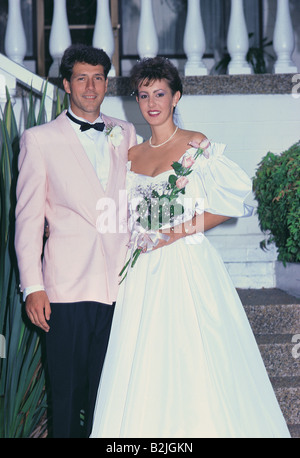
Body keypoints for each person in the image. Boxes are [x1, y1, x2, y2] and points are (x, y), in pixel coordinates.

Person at [90, 57, 291, 438]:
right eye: (144, 94)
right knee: (144, 361)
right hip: (141, 271)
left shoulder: (196, 145)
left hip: (186, 262)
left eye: (160, 94)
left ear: (176, 96)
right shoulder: (130, 154)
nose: (152, 102)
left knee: (193, 355)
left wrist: (176, 232)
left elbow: (233, 204)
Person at [14, 44, 137, 438]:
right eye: (81, 78)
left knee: (109, 397)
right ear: (66, 83)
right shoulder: (39, 139)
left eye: (98, 78)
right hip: (65, 289)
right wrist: (33, 286)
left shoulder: (125, 132)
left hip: (120, 286)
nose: (90, 87)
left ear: (106, 83)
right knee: (66, 398)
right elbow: (28, 218)